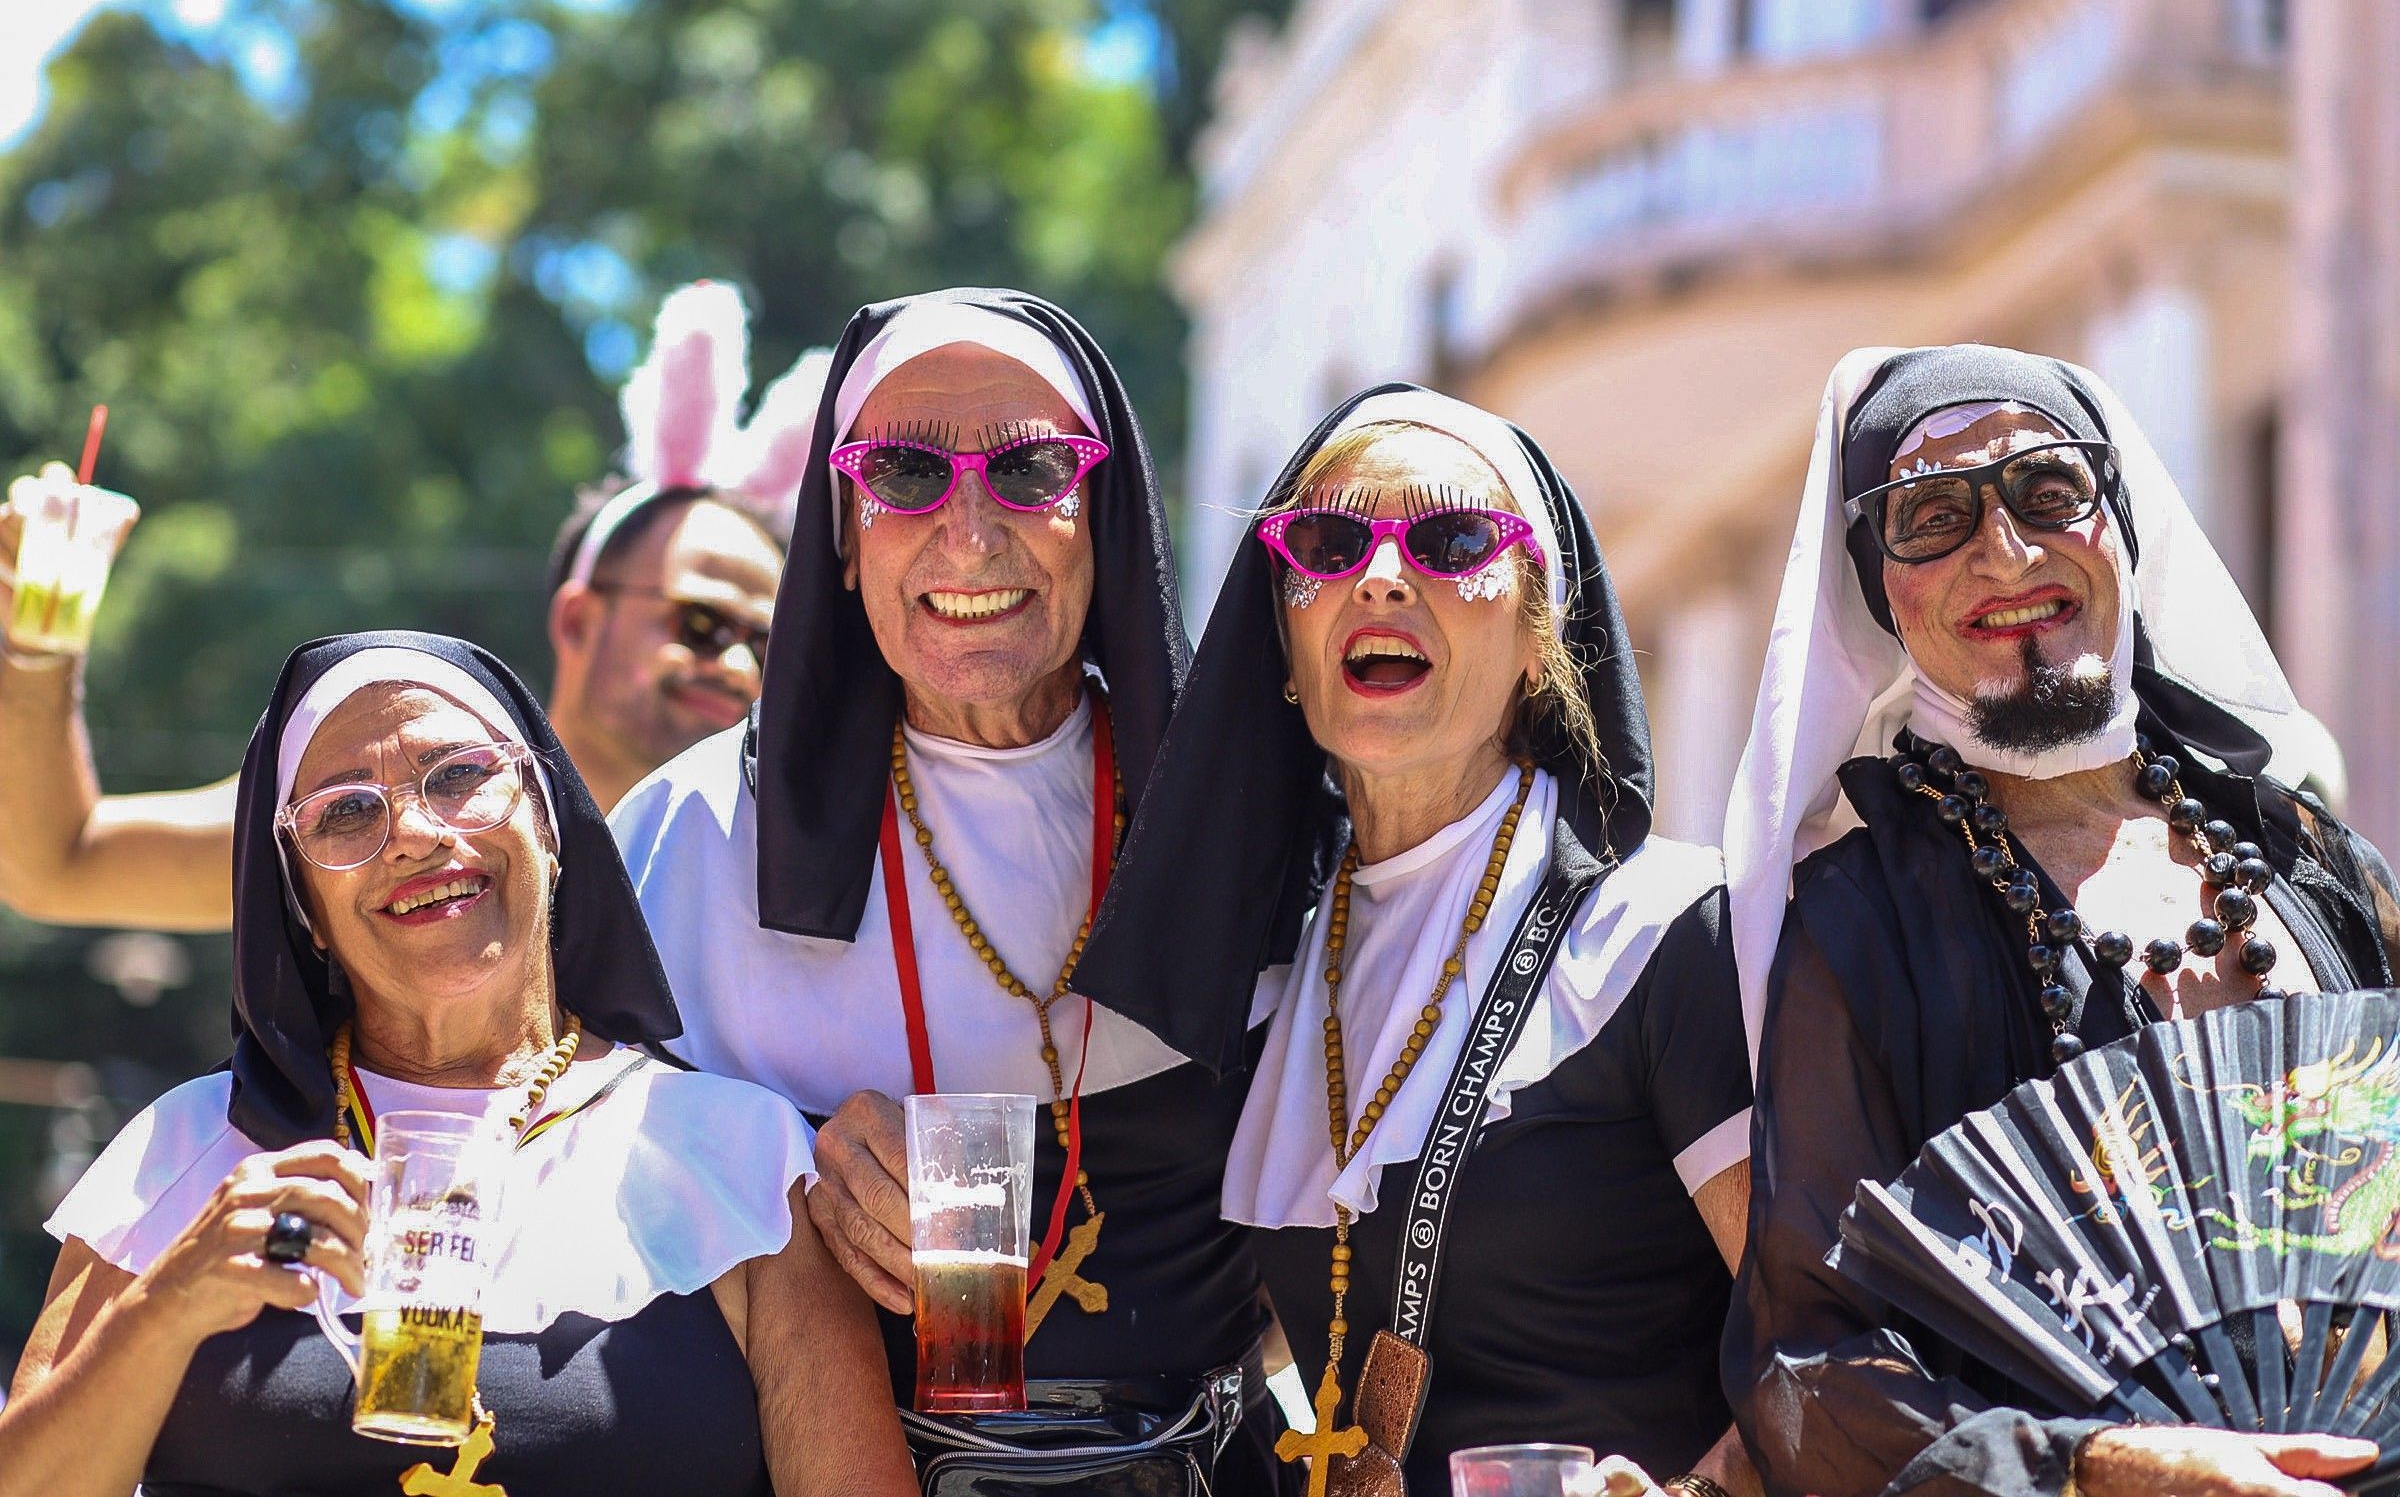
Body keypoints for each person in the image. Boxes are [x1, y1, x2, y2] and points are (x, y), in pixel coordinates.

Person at [611, 288, 1288, 1492]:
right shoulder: (691, 833)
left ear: (1107, 511)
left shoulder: (1250, 819)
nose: (969, 534)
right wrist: (776, 1163)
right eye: (905, 473)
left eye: (1031, 469)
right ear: (840, 530)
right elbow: (574, 1201)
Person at [0, 630, 915, 1496]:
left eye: (461, 775)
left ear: (552, 829)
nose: (412, 833)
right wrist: (162, 1311)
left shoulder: (739, 1157)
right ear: (303, 907)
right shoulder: (191, 1149)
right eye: (345, 811)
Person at [1723, 345, 2400, 1497]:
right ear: (1881, 586)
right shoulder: (1859, 927)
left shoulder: (2312, 859)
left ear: (2119, 524)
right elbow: (1809, 1367)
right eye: (1932, 516)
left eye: (2049, 493)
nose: (2007, 550)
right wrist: (2104, 1466)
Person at [1077, 385, 1757, 1496]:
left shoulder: (1665, 935)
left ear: (1543, 641)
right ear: (1286, 654)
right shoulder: (1272, 986)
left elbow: (1822, 1342)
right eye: (1330, 544)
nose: (1382, 577)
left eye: (1452, 542)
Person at [0, 281, 812, 930]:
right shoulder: (403, 799)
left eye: (765, 646)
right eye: (700, 625)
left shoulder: (797, 875)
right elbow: (62, 866)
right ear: (578, 620)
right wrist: (37, 639)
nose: (736, 667)